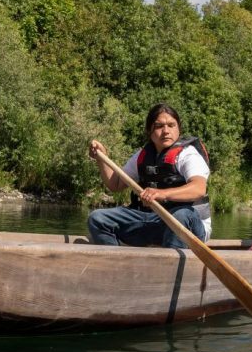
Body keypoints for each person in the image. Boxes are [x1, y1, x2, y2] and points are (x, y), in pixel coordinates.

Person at [87, 103, 211, 248]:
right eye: (159, 126)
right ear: (149, 130)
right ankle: (118, 263)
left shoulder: (188, 155)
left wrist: (161, 194)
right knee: (98, 218)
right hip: (153, 221)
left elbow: (198, 189)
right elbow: (115, 185)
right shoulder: (142, 156)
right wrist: (102, 159)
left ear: (179, 129)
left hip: (189, 225)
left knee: (181, 216)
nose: (166, 131)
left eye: (171, 125)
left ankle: (169, 267)